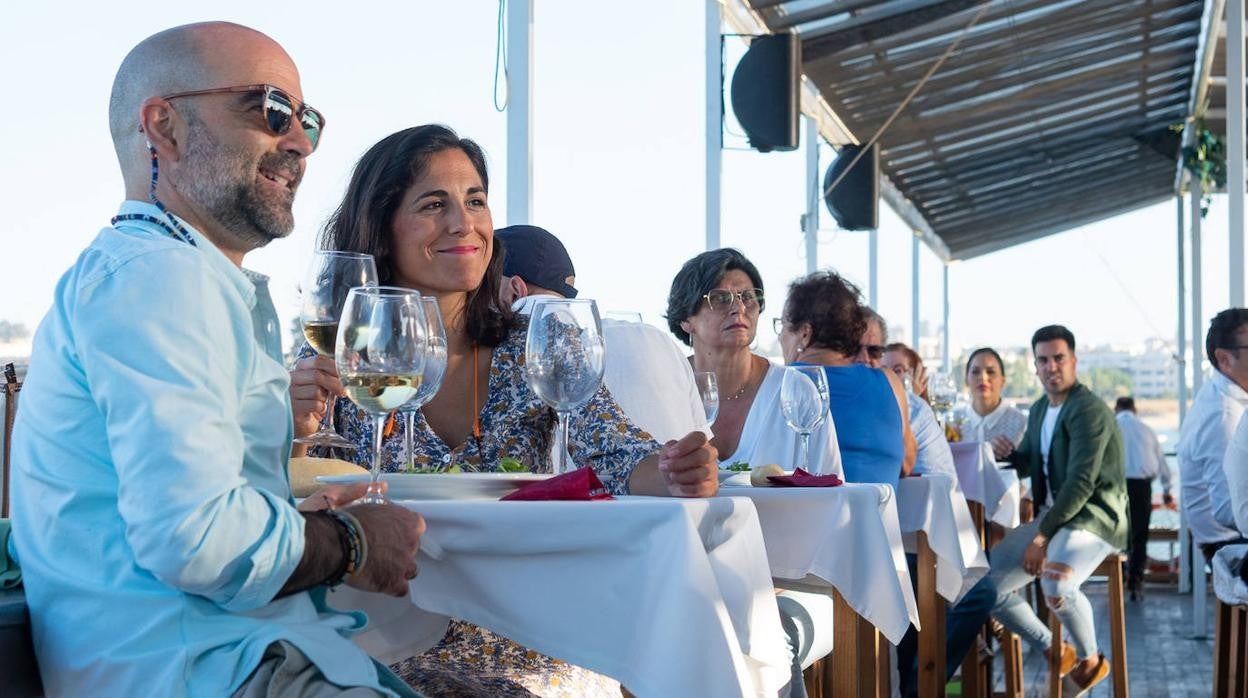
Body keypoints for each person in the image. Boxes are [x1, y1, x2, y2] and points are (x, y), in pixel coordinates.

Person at [8, 23, 425, 697]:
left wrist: (299, 510)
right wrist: (351, 542)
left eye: (309, 122)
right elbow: (193, 537)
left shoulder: (160, 273)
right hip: (201, 669)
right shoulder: (158, 276)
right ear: (164, 127)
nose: (299, 144)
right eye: (271, 110)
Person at [289, 124, 717, 697]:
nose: (463, 224)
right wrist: (291, 431)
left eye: (475, 201)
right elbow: (288, 494)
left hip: (532, 633)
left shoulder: (535, 344)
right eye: (434, 204)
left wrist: (672, 469)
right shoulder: (338, 355)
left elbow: (617, 453)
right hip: (380, 627)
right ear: (382, 227)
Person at [992, 325, 1127, 696]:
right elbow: (1036, 463)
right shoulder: (1038, 410)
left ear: (1074, 361)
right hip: (1056, 517)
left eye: (1059, 358)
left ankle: (1090, 660)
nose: (1051, 366)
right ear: (1034, 365)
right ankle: (1054, 647)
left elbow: (1081, 483)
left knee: (1057, 582)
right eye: (1043, 360)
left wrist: (1041, 535)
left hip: (1094, 518)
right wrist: (1012, 456)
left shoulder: (1089, 411)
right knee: (983, 585)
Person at [497, 224, 710, 443]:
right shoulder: (655, 339)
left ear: (516, 290)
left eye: (479, 292)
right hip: (667, 473)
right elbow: (703, 444)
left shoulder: (518, 354)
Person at [667, 248, 842, 475]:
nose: (739, 308)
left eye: (748, 298)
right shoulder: (668, 389)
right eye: (720, 298)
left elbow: (828, 489)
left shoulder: (795, 391)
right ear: (685, 320)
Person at [774, 278, 913, 485]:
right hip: (878, 516)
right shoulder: (891, 383)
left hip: (804, 516)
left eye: (783, 325)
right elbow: (907, 463)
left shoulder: (778, 385)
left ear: (804, 334)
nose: (780, 337)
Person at [1179, 308, 1248, 561]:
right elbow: (1227, 510)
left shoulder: (1228, 400)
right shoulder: (1225, 414)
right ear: (1225, 359)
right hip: (1229, 543)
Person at [1113, 396, 1174, 600]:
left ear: (1116, 409)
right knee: (1140, 537)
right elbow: (1162, 463)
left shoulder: (1111, 428)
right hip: (1142, 487)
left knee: (1116, 535)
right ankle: (1135, 583)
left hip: (1116, 487)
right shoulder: (1146, 429)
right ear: (1134, 409)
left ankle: (1117, 579)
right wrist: (1166, 489)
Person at [881, 341, 956, 478]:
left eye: (898, 370)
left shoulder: (918, 411)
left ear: (917, 375)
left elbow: (901, 461)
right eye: (884, 371)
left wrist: (910, 396)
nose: (890, 376)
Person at [962, 347, 1028, 458]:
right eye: (975, 372)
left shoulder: (1021, 423)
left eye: (990, 372)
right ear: (966, 380)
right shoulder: (953, 421)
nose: (983, 378)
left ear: (1002, 381)